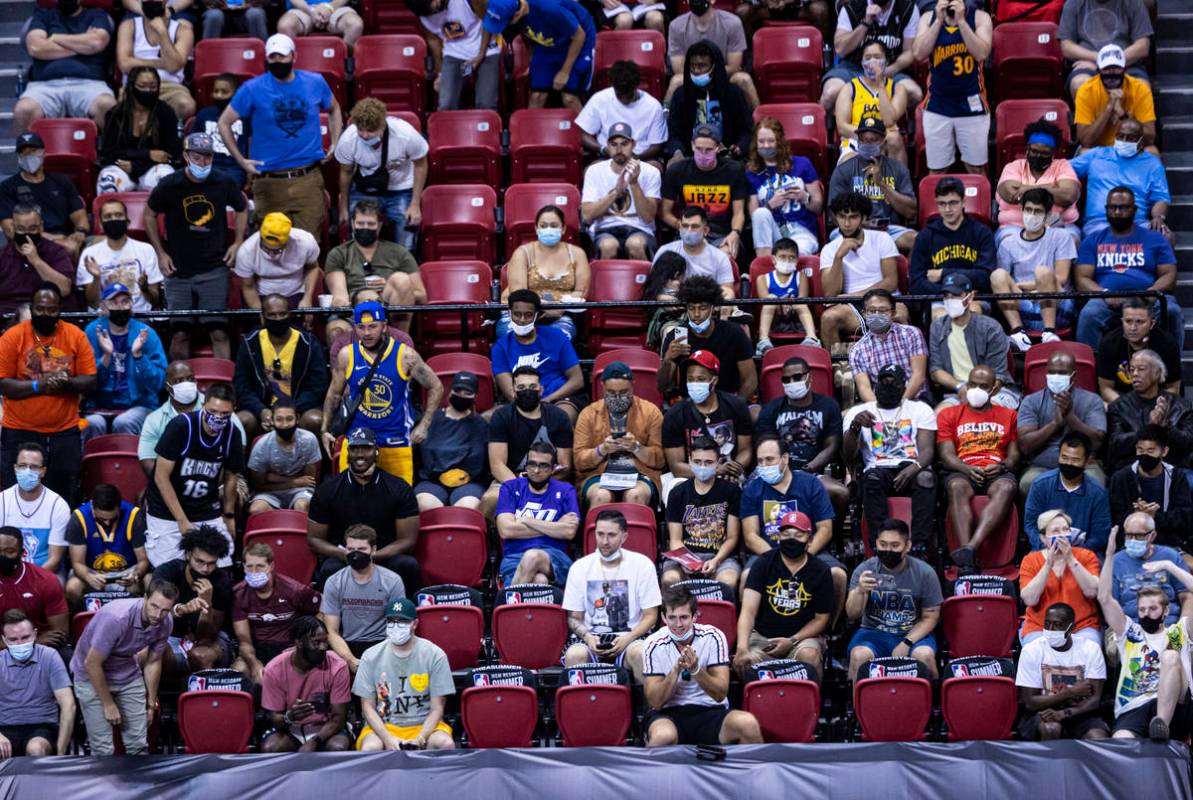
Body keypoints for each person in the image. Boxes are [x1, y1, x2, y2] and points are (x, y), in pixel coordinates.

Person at [218, 33, 343, 236]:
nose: (278, 61)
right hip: (269, 182)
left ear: (294, 56)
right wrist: (240, 160)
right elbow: (224, 123)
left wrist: (336, 143)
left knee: (309, 246)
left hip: (308, 178)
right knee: (272, 249)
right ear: (267, 59)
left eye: (282, 56)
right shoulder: (252, 88)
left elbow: (334, 109)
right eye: (273, 57)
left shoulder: (315, 82)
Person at [145, 132, 248, 362]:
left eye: (207, 157)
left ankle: (224, 390)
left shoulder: (224, 181)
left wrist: (238, 242)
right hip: (178, 270)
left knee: (219, 332)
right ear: (186, 156)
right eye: (197, 157)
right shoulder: (170, 184)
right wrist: (160, 253)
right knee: (180, 333)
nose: (203, 162)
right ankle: (179, 386)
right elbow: (149, 214)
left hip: (214, 267)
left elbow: (242, 208)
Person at [321, 301, 441, 484]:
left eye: (372, 326)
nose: (367, 333)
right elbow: (334, 394)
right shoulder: (347, 355)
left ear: (384, 326)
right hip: (357, 443)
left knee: (399, 503)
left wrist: (424, 424)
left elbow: (436, 386)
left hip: (395, 441)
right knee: (351, 501)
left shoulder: (405, 355)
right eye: (361, 327)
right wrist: (325, 429)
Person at [0, 284, 96, 501]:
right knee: (12, 495)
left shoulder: (75, 336)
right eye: (40, 309)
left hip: (64, 431)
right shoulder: (12, 337)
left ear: (59, 310)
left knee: (63, 495)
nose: (45, 314)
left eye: (51, 309)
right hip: (18, 430)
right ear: (32, 308)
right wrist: (39, 386)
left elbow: (91, 381)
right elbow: (3, 384)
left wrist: (66, 383)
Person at [643, 586, 763, 746]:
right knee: (663, 736)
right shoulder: (652, 643)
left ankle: (757, 771)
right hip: (669, 714)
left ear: (695, 616)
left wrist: (696, 670)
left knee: (747, 724)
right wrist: (675, 671)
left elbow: (720, 694)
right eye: (672, 617)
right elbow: (656, 702)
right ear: (663, 618)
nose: (678, 624)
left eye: (684, 617)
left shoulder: (713, 636)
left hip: (710, 710)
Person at [70, 581, 178, 756]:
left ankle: (137, 784)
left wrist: (150, 703)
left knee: (139, 744)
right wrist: (108, 704)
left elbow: (153, 662)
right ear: (145, 598)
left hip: (126, 671)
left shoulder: (165, 622)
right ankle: (104, 783)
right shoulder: (116, 618)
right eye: (154, 606)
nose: (158, 615)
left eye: (165, 610)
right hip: (90, 675)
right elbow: (92, 663)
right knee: (103, 749)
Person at [1099, 532, 1189, 738]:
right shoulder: (1131, 633)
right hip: (1135, 703)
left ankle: (1161, 725)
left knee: (1171, 655)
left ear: (1166, 611)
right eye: (1142, 609)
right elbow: (1104, 598)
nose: (1146, 614)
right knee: (1121, 742)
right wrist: (1109, 555)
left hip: (1175, 705)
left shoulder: (1177, 632)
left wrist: (1170, 566)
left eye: (1152, 609)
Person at [143, 381, 242, 567]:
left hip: (205, 508)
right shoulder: (181, 426)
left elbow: (231, 476)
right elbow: (160, 477)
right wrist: (182, 520)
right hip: (167, 511)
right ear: (203, 405)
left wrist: (229, 516)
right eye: (213, 412)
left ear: (233, 411)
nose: (218, 418)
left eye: (224, 414)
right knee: (170, 570)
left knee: (223, 563)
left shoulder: (232, 434)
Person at [308, 429, 422, 591]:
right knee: (329, 569)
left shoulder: (399, 488)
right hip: (344, 556)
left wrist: (372, 556)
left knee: (406, 564)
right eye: (354, 449)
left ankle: (407, 614)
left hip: (384, 555)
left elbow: (408, 541)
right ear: (348, 452)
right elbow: (314, 539)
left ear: (376, 451)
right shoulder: (327, 490)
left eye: (366, 448)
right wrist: (344, 554)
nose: (360, 454)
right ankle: (327, 615)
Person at [843, 363, 937, 551]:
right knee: (872, 479)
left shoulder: (919, 409)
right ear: (876, 385)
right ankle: (880, 544)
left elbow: (927, 451)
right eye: (883, 382)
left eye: (893, 384)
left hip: (912, 466)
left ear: (904, 387)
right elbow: (848, 456)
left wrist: (912, 470)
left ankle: (919, 545)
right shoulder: (858, 412)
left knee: (926, 478)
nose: (887, 387)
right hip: (878, 469)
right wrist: (855, 427)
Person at [1074, 187, 1181, 350]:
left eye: (1123, 207)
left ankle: (1172, 370)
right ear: (1106, 209)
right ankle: (1094, 371)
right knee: (1088, 316)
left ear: (1134, 209)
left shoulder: (1155, 239)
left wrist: (1152, 292)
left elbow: (1169, 275)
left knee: (1172, 311)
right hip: (1107, 299)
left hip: (1148, 296)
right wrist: (1104, 294)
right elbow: (1082, 279)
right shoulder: (1093, 240)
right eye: (1113, 207)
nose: (1117, 212)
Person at [936, 364, 1020, 571]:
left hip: (995, 471)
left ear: (994, 389)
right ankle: (967, 558)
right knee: (956, 487)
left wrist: (1001, 466)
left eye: (983, 386)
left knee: (1007, 488)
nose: (976, 390)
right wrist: (966, 469)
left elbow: (1015, 457)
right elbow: (947, 456)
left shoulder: (1009, 415)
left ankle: (970, 548)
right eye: (972, 384)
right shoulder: (949, 414)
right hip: (962, 469)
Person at [562, 508, 661, 682]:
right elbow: (573, 617)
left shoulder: (642, 565)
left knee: (640, 653)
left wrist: (628, 638)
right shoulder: (579, 567)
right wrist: (588, 637)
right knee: (574, 655)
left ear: (624, 537)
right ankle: (580, 708)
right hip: (590, 639)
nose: (605, 541)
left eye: (611, 535)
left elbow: (651, 615)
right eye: (600, 534)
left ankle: (649, 708)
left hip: (631, 638)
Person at [739, 435, 843, 600]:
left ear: (785, 458)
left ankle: (833, 625)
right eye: (760, 461)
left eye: (769, 460)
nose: (764, 466)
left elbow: (825, 529)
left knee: (837, 575)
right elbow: (751, 536)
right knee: (747, 577)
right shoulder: (752, 490)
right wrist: (778, 561)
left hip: (809, 550)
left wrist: (803, 557)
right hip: (767, 552)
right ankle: (754, 626)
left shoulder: (810, 484)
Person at [734, 511, 834, 677]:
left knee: (810, 656)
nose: (791, 540)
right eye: (785, 534)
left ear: (809, 540)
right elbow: (748, 611)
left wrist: (792, 640)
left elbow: (821, 619)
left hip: (801, 639)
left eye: (798, 535)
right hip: (763, 637)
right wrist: (742, 647)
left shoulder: (820, 570)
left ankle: (811, 702)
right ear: (778, 537)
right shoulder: (763, 563)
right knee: (747, 662)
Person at [845, 518, 941, 680]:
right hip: (874, 632)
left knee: (924, 656)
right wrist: (860, 591)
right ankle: (855, 704)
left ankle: (933, 703)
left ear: (907, 546)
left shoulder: (925, 573)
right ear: (876, 543)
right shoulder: (865, 569)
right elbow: (852, 614)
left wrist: (907, 642)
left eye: (895, 545)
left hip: (912, 632)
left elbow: (930, 617)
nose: (888, 550)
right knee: (859, 656)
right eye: (883, 544)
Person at [353, 597, 454, 750]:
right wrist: (387, 739)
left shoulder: (435, 654)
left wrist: (421, 738)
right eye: (391, 621)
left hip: (423, 724)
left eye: (402, 621)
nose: (396, 626)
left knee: (445, 744)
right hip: (385, 725)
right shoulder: (370, 656)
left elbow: (438, 708)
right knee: (370, 748)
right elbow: (367, 707)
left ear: (415, 624)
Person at [334, 98, 429, 251]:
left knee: (406, 245)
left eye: (370, 131)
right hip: (366, 188)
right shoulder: (348, 139)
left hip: (401, 188)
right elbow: (345, 173)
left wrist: (415, 204)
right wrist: (344, 207)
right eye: (361, 130)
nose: (364, 135)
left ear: (382, 127)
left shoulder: (406, 135)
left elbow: (420, 165)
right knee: (359, 241)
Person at [754, 355, 847, 511]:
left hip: (812, 472)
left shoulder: (828, 405)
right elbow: (766, 445)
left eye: (797, 377)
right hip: (776, 469)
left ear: (809, 377)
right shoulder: (771, 409)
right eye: (786, 380)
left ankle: (833, 535)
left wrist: (809, 469)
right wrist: (783, 472)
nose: (792, 383)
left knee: (841, 494)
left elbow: (832, 445)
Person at [481, 365, 575, 518]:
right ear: (514, 391)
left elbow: (565, 467)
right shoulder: (501, 416)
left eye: (532, 387)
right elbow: (497, 465)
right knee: (490, 499)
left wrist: (539, 482)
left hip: (548, 479)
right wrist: (522, 488)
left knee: (565, 500)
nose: (527, 391)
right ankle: (492, 540)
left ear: (541, 390)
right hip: (511, 478)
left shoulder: (559, 417)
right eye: (522, 387)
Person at [911, 0, 991, 174]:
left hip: (972, 104)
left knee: (976, 169)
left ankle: (980, 200)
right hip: (937, 105)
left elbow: (981, 53)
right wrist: (938, 21)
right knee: (936, 171)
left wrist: (962, 21)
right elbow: (918, 53)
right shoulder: (928, 18)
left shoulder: (980, 17)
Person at [325, 200, 426, 338]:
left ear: (379, 225)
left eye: (371, 224)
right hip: (352, 312)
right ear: (353, 224)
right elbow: (340, 296)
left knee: (401, 280)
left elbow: (421, 296)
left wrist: (392, 288)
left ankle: (399, 343)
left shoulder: (400, 253)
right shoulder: (338, 254)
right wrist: (353, 303)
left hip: (389, 313)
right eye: (361, 223)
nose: (365, 228)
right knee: (335, 330)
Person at [13, 0, 116, 134]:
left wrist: (55, 37)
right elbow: (35, 47)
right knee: (24, 110)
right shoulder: (43, 15)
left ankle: (110, 155)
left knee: (107, 105)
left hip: (89, 84)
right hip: (45, 86)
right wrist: (82, 46)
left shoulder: (97, 15)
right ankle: (27, 155)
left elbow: (96, 43)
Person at [234, 295, 329, 440]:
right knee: (241, 421)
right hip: (262, 409)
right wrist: (261, 411)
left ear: (289, 314)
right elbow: (242, 385)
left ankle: (316, 462)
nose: (278, 319)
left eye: (282, 314)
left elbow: (317, 385)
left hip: (298, 408)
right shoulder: (249, 343)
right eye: (272, 315)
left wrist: (291, 411)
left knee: (315, 419)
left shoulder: (308, 343)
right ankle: (242, 463)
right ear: (262, 317)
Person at [991, 190, 1077, 348]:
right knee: (997, 275)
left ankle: (1049, 332)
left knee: (1043, 272)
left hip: (1058, 305)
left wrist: (1024, 286)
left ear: (1047, 215)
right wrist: (1029, 289)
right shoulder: (1008, 243)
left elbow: (1062, 277)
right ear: (1021, 211)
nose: (1032, 215)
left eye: (1037, 211)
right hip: (1024, 307)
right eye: (1028, 210)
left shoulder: (1061, 236)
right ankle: (1018, 333)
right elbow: (1002, 286)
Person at [81, 283, 167, 441]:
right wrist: (106, 357)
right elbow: (87, 383)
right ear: (104, 307)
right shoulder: (93, 332)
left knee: (124, 422)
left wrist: (139, 356)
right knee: (91, 424)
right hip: (98, 405)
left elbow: (159, 383)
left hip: (139, 404)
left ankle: (129, 465)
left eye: (125, 301)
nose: (120, 307)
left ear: (132, 305)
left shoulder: (145, 333)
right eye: (114, 302)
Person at [573, 360, 664, 509]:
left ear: (632, 385)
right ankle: (602, 533)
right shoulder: (588, 414)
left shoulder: (651, 412)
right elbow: (578, 461)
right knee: (601, 496)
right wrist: (601, 450)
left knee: (635, 495)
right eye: (611, 393)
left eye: (623, 392)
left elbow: (660, 460)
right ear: (602, 386)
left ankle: (636, 532)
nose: (617, 397)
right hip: (598, 475)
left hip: (639, 474)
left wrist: (636, 448)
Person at [661, 350, 754, 493]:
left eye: (700, 379)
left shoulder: (736, 406)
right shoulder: (675, 414)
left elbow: (745, 450)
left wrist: (736, 466)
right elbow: (676, 466)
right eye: (690, 379)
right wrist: (714, 471)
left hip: (729, 475)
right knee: (674, 486)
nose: (694, 384)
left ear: (714, 380)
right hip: (690, 477)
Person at [1015, 601, 1110, 740]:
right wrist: (1070, 692)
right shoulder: (1032, 650)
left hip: (1080, 713)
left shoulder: (1090, 649)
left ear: (1071, 627)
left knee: (1097, 736)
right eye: (1047, 624)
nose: (1051, 629)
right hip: (1041, 713)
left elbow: (1094, 700)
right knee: (1051, 728)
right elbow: (1030, 702)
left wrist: (1063, 713)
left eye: (1057, 625)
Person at [818, 191, 900, 349]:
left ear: (864, 218)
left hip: (885, 301)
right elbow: (830, 294)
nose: (847, 223)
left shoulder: (882, 239)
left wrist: (852, 296)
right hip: (850, 308)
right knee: (828, 318)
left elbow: (891, 282)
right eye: (842, 217)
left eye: (853, 217)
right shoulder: (829, 249)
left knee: (901, 315)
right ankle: (839, 370)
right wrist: (838, 257)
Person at [260, 615, 353, 752]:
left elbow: (338, 718)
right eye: (316, 642)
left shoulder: (337, 666)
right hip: (290, 730)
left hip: (326, 729)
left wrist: (315, 741)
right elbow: (274, 718)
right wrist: (290, 717)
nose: (323, 648)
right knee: (271, 747)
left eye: (325, 642)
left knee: (337, 747)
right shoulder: (274, 669)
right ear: (298, 642)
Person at [483, 0, 596, 113]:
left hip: (578, 39)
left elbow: (579, 36)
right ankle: (530, 130)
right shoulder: (513, 11)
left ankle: (589, 130)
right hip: (548, 41)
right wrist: (533, 63)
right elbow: (529, 35)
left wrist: (564, 72)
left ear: (517, 15)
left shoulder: (550, 9)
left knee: (569, 98)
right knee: (537, 96)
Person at [231, 543, 322, 683]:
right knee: (240, 670)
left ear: (271, 566)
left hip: (289, 648)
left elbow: (320, 615)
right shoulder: (238, 594)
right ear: (243, 567)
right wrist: (254, 664)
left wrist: (303, 645)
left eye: (260, 566)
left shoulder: (295, 591)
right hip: (257, 648)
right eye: (249, 566)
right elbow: (244, 641)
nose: (254, 572)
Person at [661, 435, 741, 593]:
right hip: (684, 556)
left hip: (720, 556)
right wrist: (688, 562)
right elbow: (675, 540)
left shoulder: (732, 492)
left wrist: (716, 561)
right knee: (670, 579)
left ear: (718, 463)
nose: (702, 467)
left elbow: (732, 537)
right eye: (697, 462)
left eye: (708, 462)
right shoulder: (677, 493)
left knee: (728, 582)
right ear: (690, 461)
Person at [320, 524, 406, 671]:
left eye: (361, 549)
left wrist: (381, 659)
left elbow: (398, 625)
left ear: (373, 550)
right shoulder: (334, 582)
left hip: (382, 644)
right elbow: (331, 631)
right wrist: (351, 660)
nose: (355, 554)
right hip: (347, 644)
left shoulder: (392, 581)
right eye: (350, 549)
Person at [491, 290, 586, 423]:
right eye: (517, 314)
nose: (522, 320)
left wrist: (548, 399)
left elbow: (577, 380)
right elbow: (509, 392)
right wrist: (531, 406)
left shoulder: (557, 337)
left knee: (563, 415)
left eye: (528, 315)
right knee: (489, 417)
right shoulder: (501, 347)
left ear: (537, 315)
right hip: (521, 400)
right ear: (509, 312)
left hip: (558, 398)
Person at [497, 208, 591, 341]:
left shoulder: (577, 254)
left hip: (560, 315)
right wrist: (544, 307)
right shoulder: (522, 253)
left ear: (563, 229)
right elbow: (519, 293)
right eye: (543, 226)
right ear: (536, 228)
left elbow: (581, 293)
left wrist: (559, 308)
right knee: (515, 337)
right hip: (521, 314)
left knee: (556, 339)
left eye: (553, 225)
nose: (548, 229)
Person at [827, 116, 918, 253]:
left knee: (916, 240)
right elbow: (832, 213)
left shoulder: (898, 169)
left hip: (889, 230)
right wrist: (856, 224)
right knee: (837, 244)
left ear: (882, 141)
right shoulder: (843, 170)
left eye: (873, 140)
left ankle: (908, 274)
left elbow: (911, 212)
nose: (867, 144)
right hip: (851, 230)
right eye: (863, 140)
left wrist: (881, 183)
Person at [1017, 350, 1106, 490]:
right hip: (1042, 467)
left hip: (1085, 466)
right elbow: (1025, 446)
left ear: (1073, 376)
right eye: (1052, 372)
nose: (1056, 377)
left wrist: (1070, 416)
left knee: (1096, 483)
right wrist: (1055, 424)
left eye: (1062, 373)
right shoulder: (1031, 401)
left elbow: (1097, 442)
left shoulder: (1092, 400)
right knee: (1028, 483)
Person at [138, 360, 247, 473]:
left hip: (217, 477)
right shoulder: (154, 420)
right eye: (178, 381)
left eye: (190, 379)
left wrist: (217, 480)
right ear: (168, 387)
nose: (186, 383)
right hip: (170, 481)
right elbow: (148, 461)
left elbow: (240, 446)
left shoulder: (215, 406)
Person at [1069, 119, 1171, 241]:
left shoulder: (1152, 164)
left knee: (1166, 237)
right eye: (1120, 136)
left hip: (1137, 223)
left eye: (1130, 138)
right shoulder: (1096, 155)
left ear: (1141, 141)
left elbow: (1161, 198)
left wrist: (1158, 217)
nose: (1124, 141)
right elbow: (1063, 170)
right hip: (1099, 223)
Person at [658, 278, 757, 402]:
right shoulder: (678, 336)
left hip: (728, 401)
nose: (697, 314)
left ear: (713, 308)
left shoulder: (734, 333)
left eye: (703, 308)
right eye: (691, 308)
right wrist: (668, 359)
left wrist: (733, 408)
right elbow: (662, 386)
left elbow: (750, 381)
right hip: (690, 405)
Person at [495, 442, 578, 586]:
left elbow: (569, 531)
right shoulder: (510, 488)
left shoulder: (566, 490)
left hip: (555, 558)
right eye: (531, 464)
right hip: (514, 558)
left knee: (533, 556)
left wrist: (527, 520)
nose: (536, 470)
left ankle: (508, 603)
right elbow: (506, 530)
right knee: (540, 580)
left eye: (543, 465)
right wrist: (556, 527)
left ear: (553, 469)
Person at [151, 525, 233, 671]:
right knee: (153, 652)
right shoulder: (167, 573)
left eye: (211, 563)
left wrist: (206, 605)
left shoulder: (222, 582)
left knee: (201, 656)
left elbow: (207, 636)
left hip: (209, 642)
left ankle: (200, 693)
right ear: (188, 555)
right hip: (170, 635)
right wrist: (181, 610)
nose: (205, 569)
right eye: (200, 561)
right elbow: (154, 617)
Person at [661, 124, 749, 259]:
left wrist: (735, 233)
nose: (703, 154)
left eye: (708, 150)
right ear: (692, 145)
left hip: (722, 234)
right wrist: (683, 226)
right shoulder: (677, 171)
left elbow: (739, 213)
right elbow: (664, 212)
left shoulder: (734, 170)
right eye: (699, 149)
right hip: (688, 231)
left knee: (724, 255)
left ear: (718, 148)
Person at [928, 277, 1018, 408]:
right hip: (957, 392)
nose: (950, 300)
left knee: (987, 414)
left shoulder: (990, 328)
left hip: (994, 392)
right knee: (939, 416)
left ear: (970, 297)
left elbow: (998, 376)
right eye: (946, 296)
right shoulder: (937, 327)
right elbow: (936, 371)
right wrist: (959, 386)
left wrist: (978, 396)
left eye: (956, 295)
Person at [0, 133, 89, 265]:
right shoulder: (7, 187)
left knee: (100, 242)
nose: (29, 156)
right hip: (30, 239)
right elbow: (10, 231)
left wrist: (80, 232)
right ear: (18, 157)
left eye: (33, 151)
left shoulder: (62, 181)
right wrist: (54, 239)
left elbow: (80, 216)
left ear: (43, 153)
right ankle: (70, 285)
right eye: (24, 152)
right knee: (69, 248)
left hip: (67, 236)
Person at [819, 0, 922, 114]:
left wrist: (892, 69)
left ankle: (892, 126)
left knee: (914, 93)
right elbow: (841, 49)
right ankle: (841, 127)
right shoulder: (851, 7)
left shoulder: (908, 9)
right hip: (853, 69)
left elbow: (909, 52)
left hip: (889, 70)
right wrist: (865, 23)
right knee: (830, 93)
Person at [580, 121, 662, 261]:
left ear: (633, 145)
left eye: (624, 144)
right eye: (614, 144)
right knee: (608, 246)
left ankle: (644, 283)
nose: (619, 149)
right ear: (607, 146)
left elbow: (648, 217)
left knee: (636, 244)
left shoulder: (650, 172)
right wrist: (616, 192)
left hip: (640, 229)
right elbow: (587, 215)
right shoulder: (594, 171)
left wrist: (634, 184)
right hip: (605, 229)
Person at [909, 179, 997, 304]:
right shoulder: (925, 236)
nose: (947, 209)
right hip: (939, 299)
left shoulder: (982, 233)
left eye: (953, 203)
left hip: (974, 298)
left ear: (963, 202)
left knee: (974, 310)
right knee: (939, 316)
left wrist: (944, 274)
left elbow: (985, 277)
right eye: (942, 204)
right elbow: (916, 284)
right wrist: (949, 293)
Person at [0, 609, 74, 759]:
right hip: (4, 728)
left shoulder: (50, 656)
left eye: (25, 637)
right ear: (4, 640)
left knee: (36, 749)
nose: (20, 643)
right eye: (13, 639)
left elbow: (68, 705)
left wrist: (60, 751)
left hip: (42, 727)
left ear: (34, 634)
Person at [1107, 427, 1193, 553]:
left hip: (1168, 543)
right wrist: (1136, 515)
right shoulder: (1120, 478)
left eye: (1150, 451)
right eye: (1140, 450)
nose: (1144, 455)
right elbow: (1116, 518)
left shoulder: (1177, 477)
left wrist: (1154, 517)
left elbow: (1184, 518)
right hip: (1131, 544)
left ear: (1164, 451)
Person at [1021, 511, 1102, 645]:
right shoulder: (1030, 560)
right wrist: (1048, 565)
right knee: (1034, 650)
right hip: (1040, 627)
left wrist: (1070, 558)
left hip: (1080, 626)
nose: (1062, 535)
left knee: (1090, 646)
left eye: (1065, 530)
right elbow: (1030, 599)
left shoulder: (1086, 556)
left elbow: (1092, 591)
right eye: (1055, 531)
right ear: (1043, 537)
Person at [994, 118, 1081, 243]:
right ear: (1027, 149)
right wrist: (1053, 189)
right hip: (1015, 227)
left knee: (1070, 238)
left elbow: (1068, 195)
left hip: (1058, 227)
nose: (1038, 156)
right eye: (1034, 151)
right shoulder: (1014, 166)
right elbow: (1010, 194)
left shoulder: (1063, 166)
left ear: (1053, 153)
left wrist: (1025, 188)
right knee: (1009, 240)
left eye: (1044, 153)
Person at [96, 66, 179, 196]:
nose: (148, 91)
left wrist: (137, 166)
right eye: (142, 86)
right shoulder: (116, 114)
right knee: (107, 180)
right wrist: (148, 154)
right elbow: (109, 154)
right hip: (122, 169)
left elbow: (172, 154)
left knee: (167, 178)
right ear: (131, 86)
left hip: (152, 169)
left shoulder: (165, 112)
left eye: (153, 87)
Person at [413, 371, 489, 512]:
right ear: (450, 392)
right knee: (425, 504)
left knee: (468, 507)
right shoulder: (430, 419)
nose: (462, 396)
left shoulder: (481, 425)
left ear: (475, 397)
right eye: (458, 391)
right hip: (431, 481)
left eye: (467, 393)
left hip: (469, 483)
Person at [64, 484, 150, 609]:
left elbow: (143, 560)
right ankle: (82, 623)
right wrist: (89, 577)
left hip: (126, 572)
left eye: (112, 518)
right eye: (101, 519)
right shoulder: (79, 518)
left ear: (119, 507)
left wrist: (136, 575)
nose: (107, 522)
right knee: (73, 587)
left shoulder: (134, 516)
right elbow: (77, 563)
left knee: (144, 581)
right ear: (92, 506)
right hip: (92, 571)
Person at [747, 116, 823, 257]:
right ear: (755, 144)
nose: (766, 145)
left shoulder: (803, 164)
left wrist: (804, 197)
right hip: (773, 233)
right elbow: (754, 217)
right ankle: (764, 267)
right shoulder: (752, 172)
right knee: (761, 213)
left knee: (794, 255)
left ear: (780, 142)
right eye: (761, 141)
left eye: (771, 141)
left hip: (802, 231)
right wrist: (770, 205)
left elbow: (818, 207)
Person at [1106, 354, 1193, 475]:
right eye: (1132, 370)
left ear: (1157, 373)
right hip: (1131, 469)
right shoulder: (1118, 407)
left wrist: (1166, 426)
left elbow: (1188, 444)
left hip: (1174, 470)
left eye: (1141, 369)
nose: (1135, 374)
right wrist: (1149, 426)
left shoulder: (1181, 406)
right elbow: (1116, 445)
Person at [1024, 433, 1112, 552]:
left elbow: (1100, 534)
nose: (1069, 464)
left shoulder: (1098, 492)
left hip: (1083, 553)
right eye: (1064, 458)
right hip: (1044, 550)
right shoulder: (1040, 485)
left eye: (1075, 460)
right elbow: (1030, 525)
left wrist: (1073, 553)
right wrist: (1044, 546)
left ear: (1087, 462)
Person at [665, 42, 752, 160]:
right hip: (690, 159)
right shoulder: (681, 95)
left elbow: (746, 131)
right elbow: (674, 135)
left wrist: (739, 147)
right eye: (692, 65)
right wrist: (677, 152)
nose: (695, 70)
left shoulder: (733, 94)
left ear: (715, 67)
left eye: (701, 65)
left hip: (728, 159)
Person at [77, 198, 163, 312]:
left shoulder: (146, 250)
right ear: (101, 224)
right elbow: (93, 304)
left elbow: (155, 300)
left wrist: (145, 288)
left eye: (118, 215)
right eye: (108, 216)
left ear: (127, 221)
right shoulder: (89, 254)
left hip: (138, 316)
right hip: (104, 317)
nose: (114, 219)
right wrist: (96, 278)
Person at [413, 0, 502, 112]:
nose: (434, 12)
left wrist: (481, 54)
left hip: (486, 49)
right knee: (446, 105)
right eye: (431, 11)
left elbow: (488, 22)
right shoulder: (424, 13)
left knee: (486, 105)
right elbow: (433, 40)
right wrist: (441, 73)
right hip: (454, 53)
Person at [832, 42, 911, 164]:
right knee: (848, 161)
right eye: (868, 58)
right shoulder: (849, 88)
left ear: (887, 61)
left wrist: (880, 84)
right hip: (856, 139)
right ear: (862, 63)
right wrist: (869, 136)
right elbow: (842, 126)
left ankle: (899, 182)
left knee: (895, 139)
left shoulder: (897, 88)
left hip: (886, 139)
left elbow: (889, 121)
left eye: (877, 57)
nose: (872, 62)